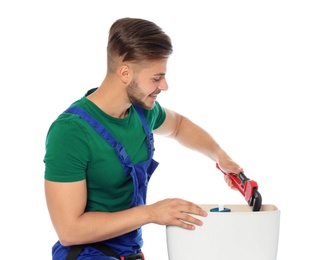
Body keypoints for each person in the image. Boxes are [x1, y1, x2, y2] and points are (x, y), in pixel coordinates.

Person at [44, 17, 242, 260]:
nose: (165, 85)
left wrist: (221, 157)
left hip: (128, 254)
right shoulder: (71, 132)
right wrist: (151, 213)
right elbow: (69, 231)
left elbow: (179, 126)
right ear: (125, 73)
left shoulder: (141, 113)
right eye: (156, 78)